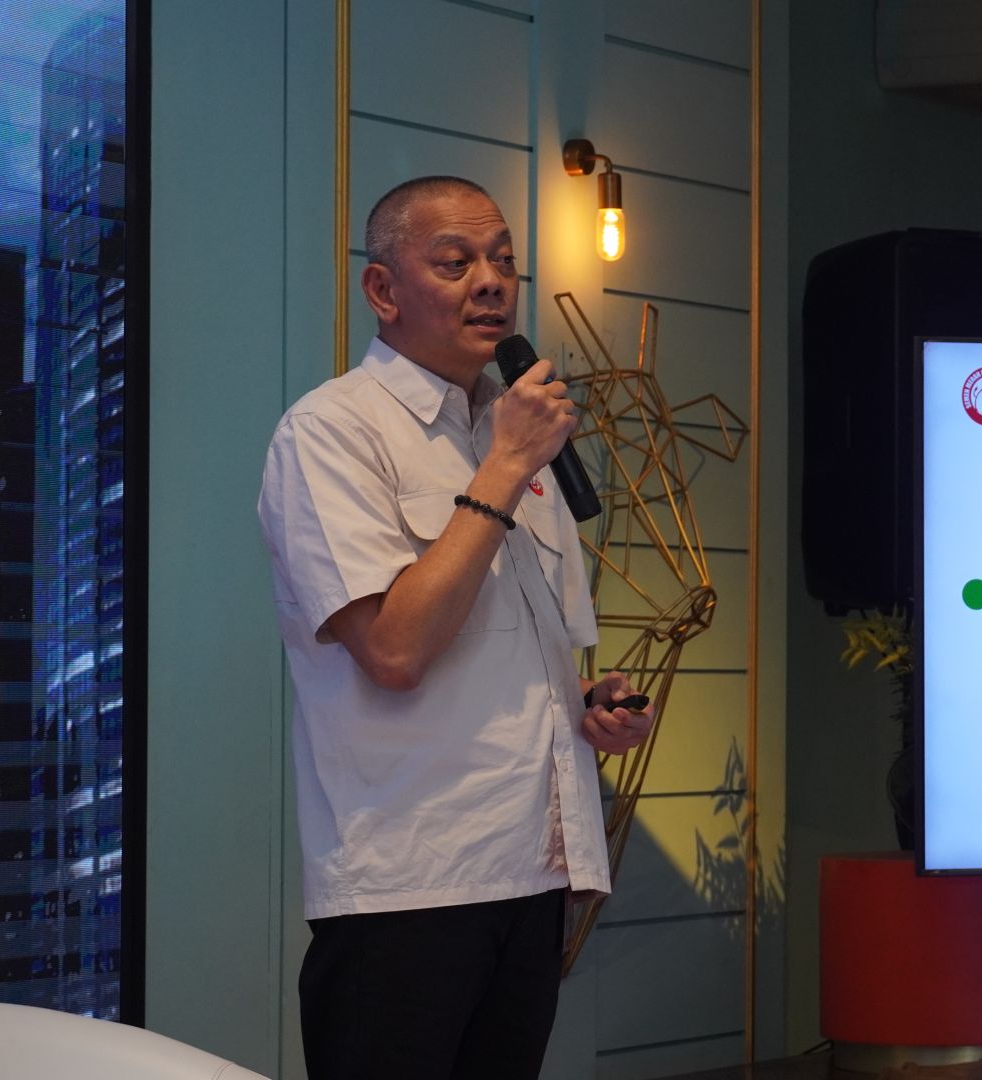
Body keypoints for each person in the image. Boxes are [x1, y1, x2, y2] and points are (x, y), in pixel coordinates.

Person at [257, 175, 652, 1079]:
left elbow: (504, 654)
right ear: (383, 289)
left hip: (535, 871)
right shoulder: (332, 431)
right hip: (408, 885)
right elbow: (394, 649)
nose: (492, 281)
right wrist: (505, 466)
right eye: (456, 261)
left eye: (504, 261)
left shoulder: (512, 432)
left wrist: (589, 703)